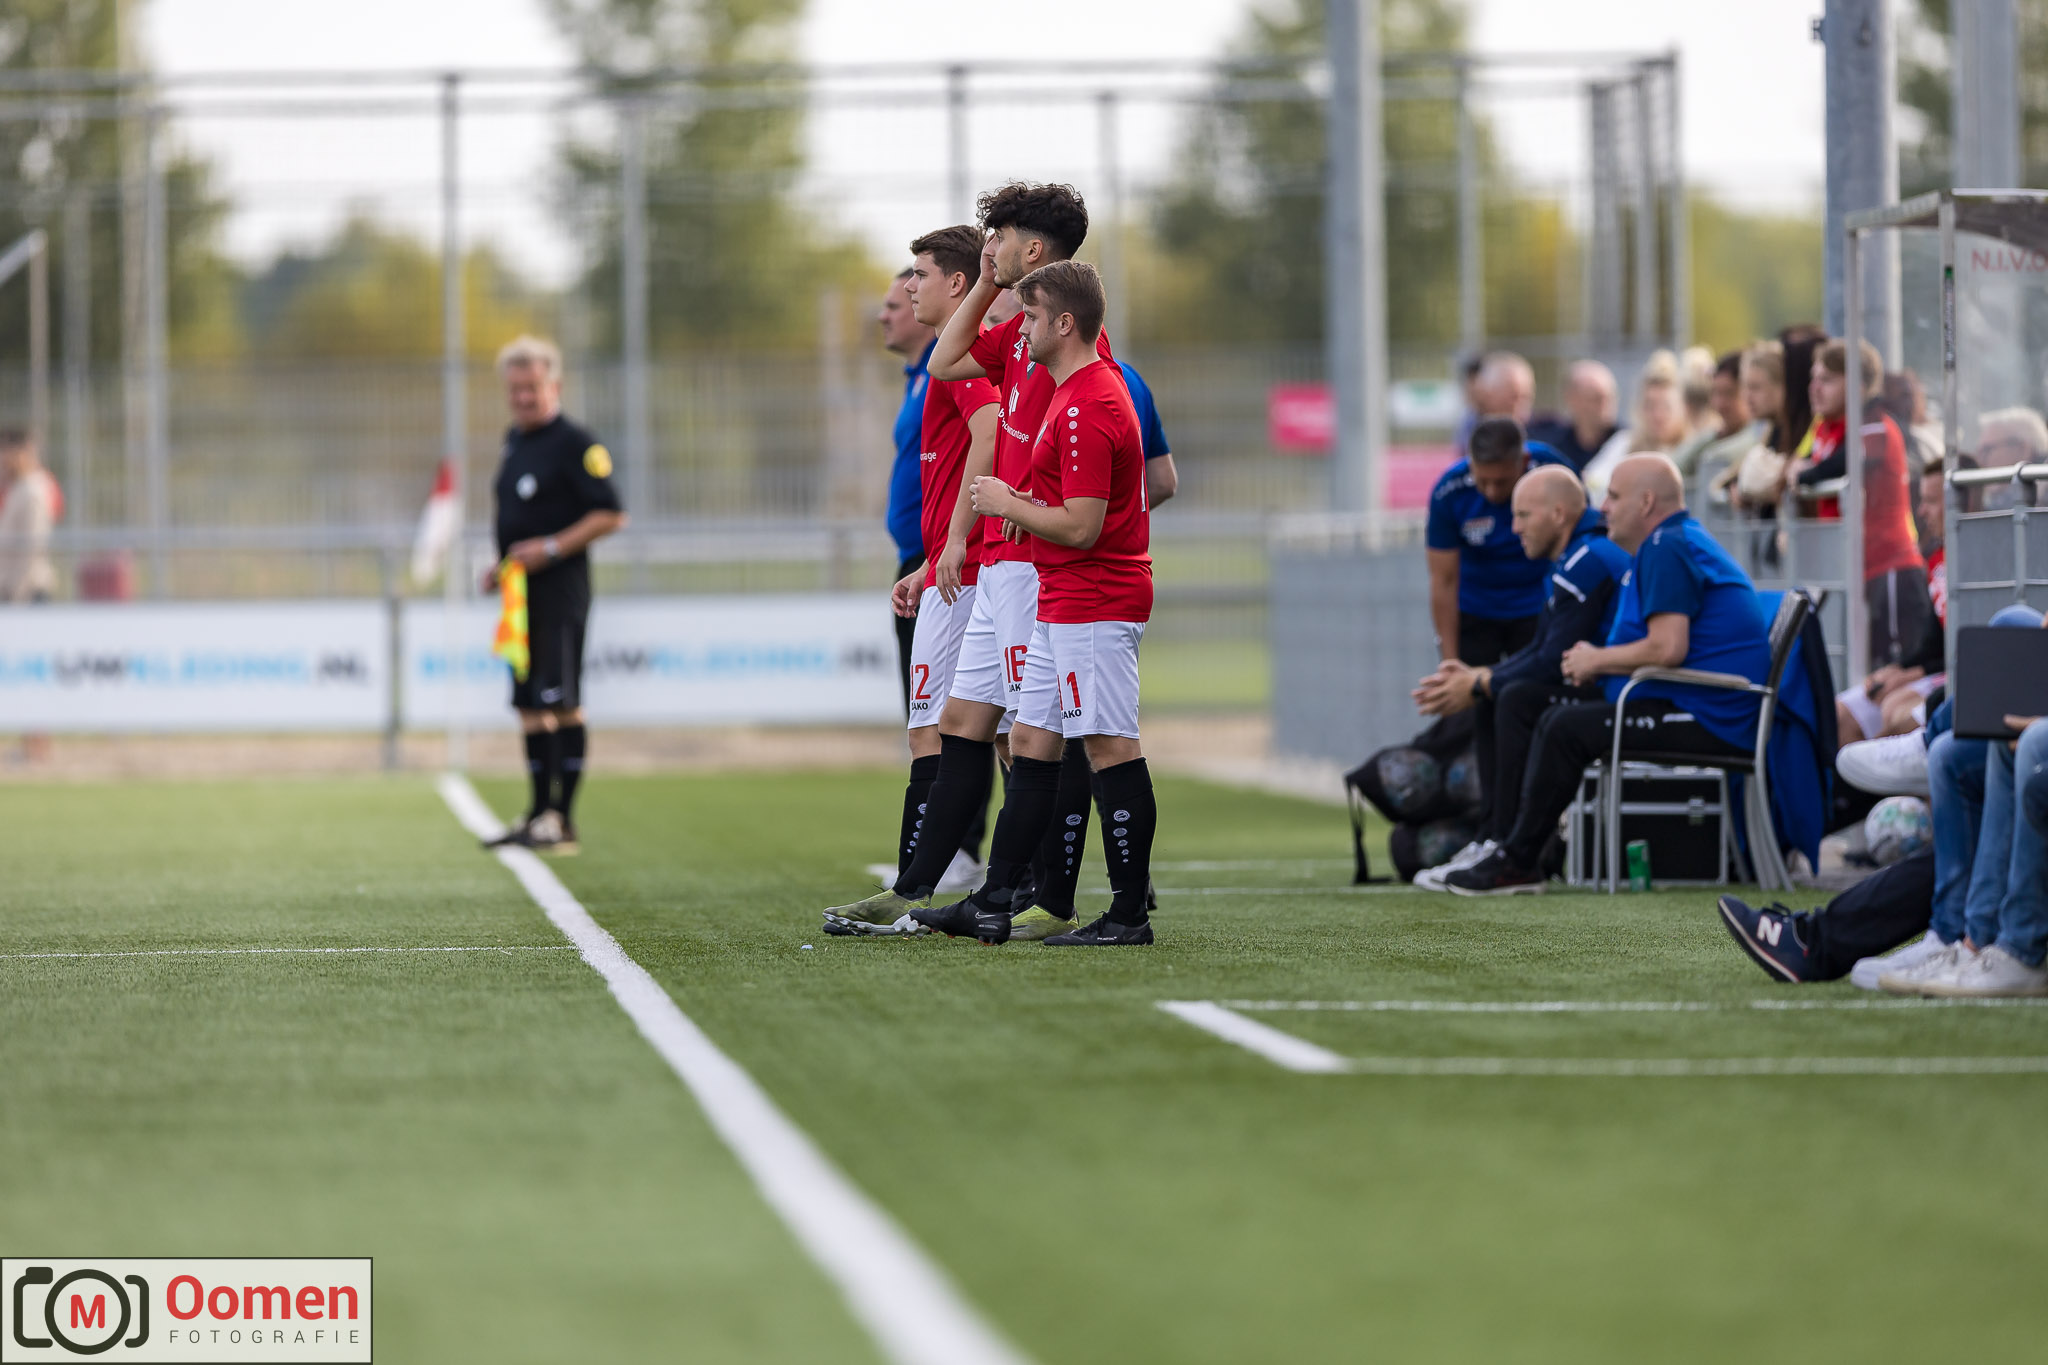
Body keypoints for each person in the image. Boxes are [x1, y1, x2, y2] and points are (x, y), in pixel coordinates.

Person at [818, 181, 1117, 941]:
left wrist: (960, 537)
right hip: (997, 562)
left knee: (1038, 737)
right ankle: (917, 888)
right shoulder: (1015, 330)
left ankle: (1045, 893)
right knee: (962, 722)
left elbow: (1035, 446)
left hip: (1026, 562)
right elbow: (948, 358)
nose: (992, 245)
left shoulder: (1068, 345)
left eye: (1003, 235)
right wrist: (984, 283)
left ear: (1034, 249)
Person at [915, 258, 1156, 946]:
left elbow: (1083, 527)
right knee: (1028, 741)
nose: (1020, 329)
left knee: (1110, 747)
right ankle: (997, 898)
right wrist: (1028, 507)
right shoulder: (1068, 392)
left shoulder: (1089, 402)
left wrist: (1007, 502)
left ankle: (1129, 913)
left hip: (1094, 598)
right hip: (1060, 596)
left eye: (1030, 316)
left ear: (1065, 323)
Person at [1446, 454, 1772, 895]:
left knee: (1563, 727)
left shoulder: (1666, 546)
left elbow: (1667, 647)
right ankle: (1508, 847)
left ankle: (1518, 860)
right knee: (1531, 704)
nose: (1603, 508)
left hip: (1709, 716)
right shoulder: (1667, 543)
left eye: (1614, 497)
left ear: (1646, 502)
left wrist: (1598, 660)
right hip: (1689, 702)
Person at [827, 227, 1003, 937]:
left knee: (957, 731)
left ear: (956, 284)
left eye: (920, 275)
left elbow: (990, 430)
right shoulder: (938, 363)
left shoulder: (960, 360)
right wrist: (934, 556)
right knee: (962, 731)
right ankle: (934, 882)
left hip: (971, 571)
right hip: (947, 565)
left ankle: (935, 883)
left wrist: (952, 544)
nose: (908, 287)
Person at [1407, 465, 1631, 888]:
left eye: (1523, 515)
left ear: (1559, 515)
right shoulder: (1577, 555)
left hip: (1624, 695)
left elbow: (1551, 662)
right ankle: (1493, 839)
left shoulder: (1588, 559)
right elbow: (1542, 650)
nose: (1514, 529)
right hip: (1607, 689)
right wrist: (1481, 676)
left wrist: (1480, 683)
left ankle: (1507, 848)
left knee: (1515, 698)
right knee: (1505, 692)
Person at [479, 336, 627, 856]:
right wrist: (501, 567)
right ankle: (539, 812)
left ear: (555, 386)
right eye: (515, 388)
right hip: (520, 597)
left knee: (562, 703)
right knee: (528, 705)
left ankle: (563, 819)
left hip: (560, 593)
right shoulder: (515, 440)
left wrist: (549, 548)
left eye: (532, 387)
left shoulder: (575, 443)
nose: (523, 397)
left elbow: (610, 513)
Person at [1796, 338, 1934, 671]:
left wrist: (1803, 474)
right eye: (1813, 379)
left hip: (1891, 568)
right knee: (1864, 672)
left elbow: (1841, 463)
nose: (1815, 388)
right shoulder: (1828, 429)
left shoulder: (1874, 423)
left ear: (1857, 385)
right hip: (1861, 570)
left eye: (1827, 380)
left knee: (1893, 671)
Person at [1424, 417, 1574, 666]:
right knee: (1468, 688)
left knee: (1529, 687)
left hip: (1539, 606)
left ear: (1523, 462)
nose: (1492, 491)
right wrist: (1449, 661)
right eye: (1483, 481)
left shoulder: (1553, 474)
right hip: (1476, 610)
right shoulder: (1449, 492)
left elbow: (1577, 546)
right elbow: (1443, 580)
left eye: (1502, 482)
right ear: (1470, 463)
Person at [879, 268, 936, 711]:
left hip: (936, 563)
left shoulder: (948, 370)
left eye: (895, 305)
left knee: (939, 723)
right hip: (916, 561)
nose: (883, 316)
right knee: (926, 723)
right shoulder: (919, 375)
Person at [1582, 351, 1693, 503]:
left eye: (1666, 407)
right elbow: (1593, 484)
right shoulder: (1624, 443)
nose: (1657, 415)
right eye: (1650, 406)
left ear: (1683, 408)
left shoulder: (1693, 447)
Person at [1528, 359, 1619, 473]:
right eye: (1595, 398)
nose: (1605, 406)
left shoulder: (1623, 443)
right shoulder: (1553, 446)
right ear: (1572, 399)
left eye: (1610, 398)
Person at [0, 429, 58, 604]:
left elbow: (32, 548)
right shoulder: (19, 488)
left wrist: (17, 597)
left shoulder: (32, 491)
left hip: (27, 593)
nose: (3, 461)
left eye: (6, 453)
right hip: (16, 590)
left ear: (21, 453)